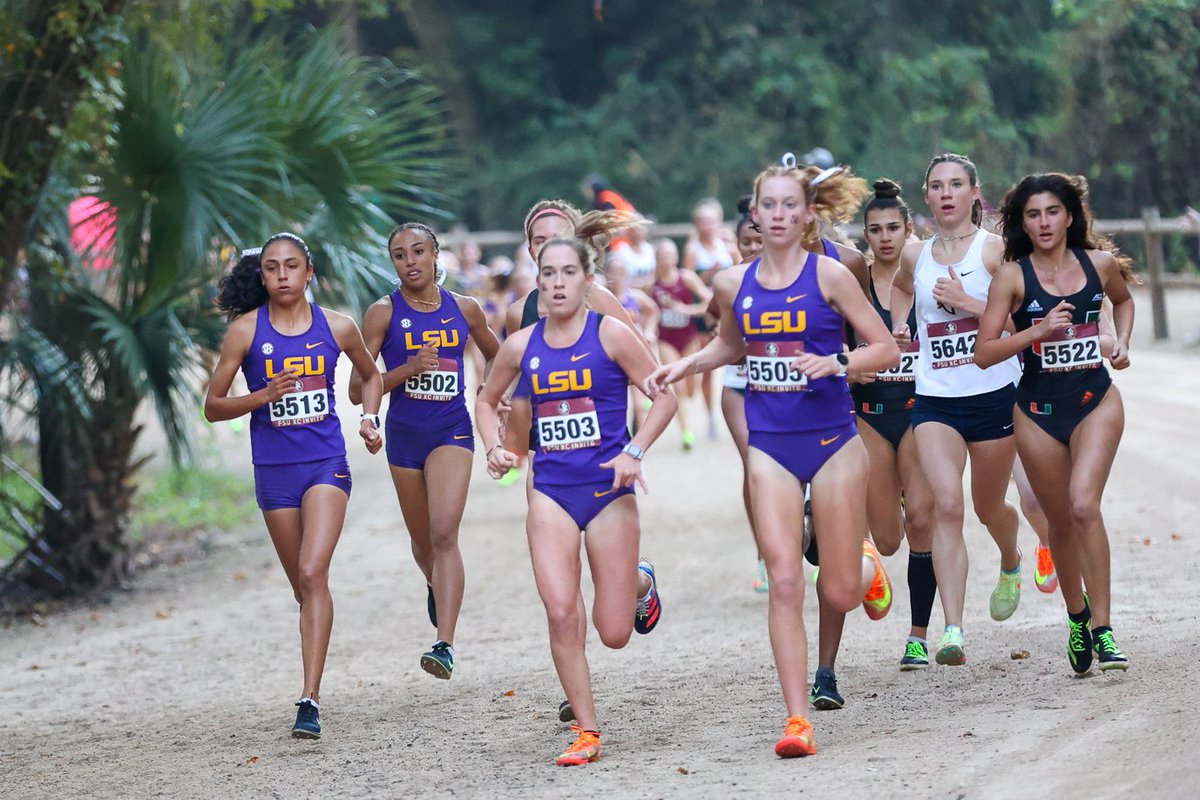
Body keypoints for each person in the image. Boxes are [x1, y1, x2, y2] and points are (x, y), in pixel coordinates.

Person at [647, 160, 898, 758]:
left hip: (833, 441)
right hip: (770, 444)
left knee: (839, 591)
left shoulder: (832, 275)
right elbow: (731, 344)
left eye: (791, 205)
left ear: (808, 213)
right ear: (755, 213)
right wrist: (686, 365)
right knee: (784, 580)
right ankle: (796, 719)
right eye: (769, 205)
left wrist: (838, 363)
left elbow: (885, 348)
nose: (779, 215)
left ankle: (864, 567)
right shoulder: (732, 283)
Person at [476, 236, 677, 767]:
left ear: (587, 279)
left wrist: (635, 450)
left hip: (609, 489)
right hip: (551, 490)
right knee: (562, 611)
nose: (558, 282)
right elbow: (487, 399)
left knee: (613, 633)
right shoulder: (520, 345)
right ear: (538, 281)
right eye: (549, 273)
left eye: (569, 272)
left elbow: (664, 397)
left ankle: (639, 581)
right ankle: (587, 730)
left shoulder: (611, 334)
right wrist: (495, 447)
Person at [204, 233, 384, 739]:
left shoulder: (338, 326)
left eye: (291, 265)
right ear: (262, 276)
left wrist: (370, 419)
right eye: (271, 267)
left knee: (311, 570)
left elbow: (371, 377)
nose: (282, 275)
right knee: (305, 588)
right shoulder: (245, 331)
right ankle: (314, 666)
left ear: (309, 273)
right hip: (274, 472)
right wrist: (262, 396)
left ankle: (309, 698)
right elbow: (213, 406)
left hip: (326, 465)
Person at [975, 172, 1135, 673]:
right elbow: (984, 352)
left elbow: (1123, 300)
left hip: (1095, 400)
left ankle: (1104, 630)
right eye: (1033, 214)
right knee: (1061, 521)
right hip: (1037, 413)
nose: (1043, 222)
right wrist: (1036, 331)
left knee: (1084, 505)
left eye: (1052, 212)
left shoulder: (1098, 264)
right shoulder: (1012, 276)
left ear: (1069, 217)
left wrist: (1122, 342)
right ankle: (1077, 616)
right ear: (1022, 223)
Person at [889, 153, 1024, 667]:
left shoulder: (996, 252)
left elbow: (1020, 330)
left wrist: (969, 303)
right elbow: (902, 291)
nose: (946, 194)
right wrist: (901, 327)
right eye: (937, 186)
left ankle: (1010, 558)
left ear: (974, 193)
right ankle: (952, 630)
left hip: (993, 395)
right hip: (935, 398)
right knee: (947, 506)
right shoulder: (914, 255)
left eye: (955, 185)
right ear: (926, 196)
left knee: (988, 508)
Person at [349, 223, 500, 680]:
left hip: (452, 431)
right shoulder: (382, 313)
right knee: (422, 544)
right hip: (404, 436)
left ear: (436, 255)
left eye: (418, 251)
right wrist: (407, 369)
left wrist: (491, 392)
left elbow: (498, 354)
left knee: (443, 533)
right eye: (400, 255)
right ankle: (437, 584)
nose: (410, 261)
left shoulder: (465, 308)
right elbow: (358, 388)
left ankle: (444, 644)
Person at [846, 179, 938, 671]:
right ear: (865, 235)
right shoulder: (852, 286)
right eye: (875, 230)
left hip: (921, 413)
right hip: (871, 414)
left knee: (920, 519)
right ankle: (876, 561)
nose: (885, 238)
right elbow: (833, 350)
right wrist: (851, 367)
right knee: (886, 539)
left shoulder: (926, 279)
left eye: (892, 228)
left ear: (908, 230)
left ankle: (918, 636)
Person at [714, 197, 767, 590]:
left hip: (785, 386)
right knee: (755, 465)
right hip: (739, 384)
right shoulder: (730, 282)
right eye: (745, 242)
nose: (752, 248)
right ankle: (765, 553)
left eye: (758, 240)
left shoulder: (795, 276)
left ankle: (813, 541)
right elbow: (720, 334)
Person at [650, 238, 712, 450]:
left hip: (689, 338)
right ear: (656, 259)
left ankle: (688, 403)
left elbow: (709, 301)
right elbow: (638, 301)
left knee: (690, 389)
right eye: (662, 255)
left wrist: (687, 310)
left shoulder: (686, 278)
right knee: (676, 385)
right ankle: (686, 432)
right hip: (666, 340)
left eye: (669, 254)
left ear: (676, 257)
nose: (666, 259)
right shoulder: (652, 283)